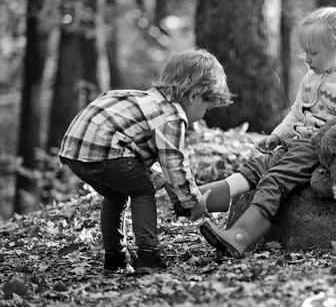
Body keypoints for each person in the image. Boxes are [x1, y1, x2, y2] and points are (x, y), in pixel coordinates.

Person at [199, 4, 336, 258]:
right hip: (297, 144)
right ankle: (210, 197)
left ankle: (240, 236)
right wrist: (278, 135)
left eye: (313, 52)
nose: (307, 58)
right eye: (305, 52)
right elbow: (295, 113)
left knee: (275, 178)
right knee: (258, 166)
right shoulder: (311, 78)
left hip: (320, 151)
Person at [58, 48, 234, 274]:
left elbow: (144, 163)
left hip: (76, 151)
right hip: (105, 149)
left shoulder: (144, 101)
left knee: (116, 194)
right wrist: (192, 201)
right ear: (194, 96)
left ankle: (115, 257)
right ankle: (148, 256)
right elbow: (173, 162)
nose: (203, 116)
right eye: (206, 108)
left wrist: (177, 196)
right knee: (143, 190)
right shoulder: (171, 115)